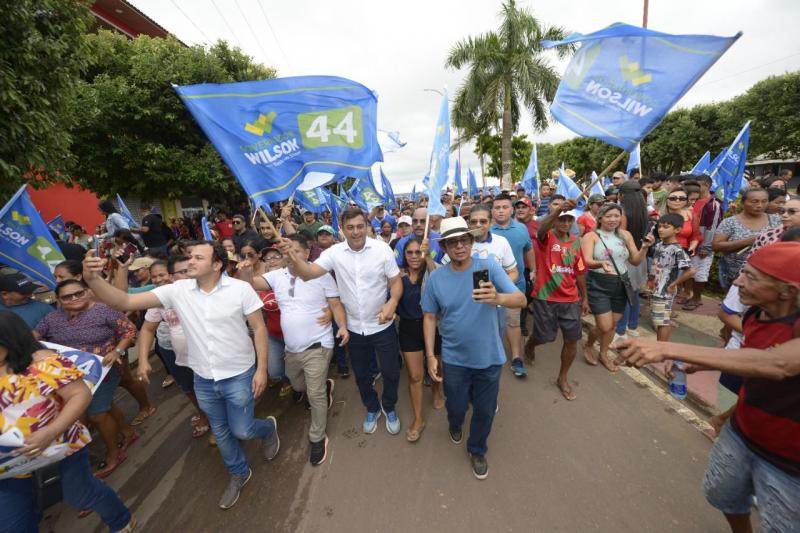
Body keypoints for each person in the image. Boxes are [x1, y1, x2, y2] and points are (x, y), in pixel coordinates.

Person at [614, 241, 800, 533]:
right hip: (743, 432)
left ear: (788, 290)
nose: (738, 281)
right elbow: (753, 357)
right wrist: (706, 363)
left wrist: (668, 349)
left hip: (790, 459)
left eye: (751, 276)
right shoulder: (756, 313)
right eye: (743, 272)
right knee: (722, 494)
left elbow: (778, 364)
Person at [81, 240, 279, 510]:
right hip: (203, 378)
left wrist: (262, 369)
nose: (191, 261)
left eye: (198, 257)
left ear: (217, 264)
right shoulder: (177, 291)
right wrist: (92, 279)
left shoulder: (241, 289)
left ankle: (267, 429)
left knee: (242, 429)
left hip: (238, 373)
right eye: (190, 256)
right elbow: (123, 300)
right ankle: (239, 472)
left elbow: (258, 329)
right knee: (220, 430)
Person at [0, 312, 136, 532]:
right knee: (11, 521)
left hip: (60, 447)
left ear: (9, 340)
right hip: (8, 462)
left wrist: (51, 431)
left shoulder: (43, 362)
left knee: (80, 493)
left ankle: (121, 519)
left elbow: (80, 395)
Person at [280, 208, 404, 435]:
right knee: (362, 374)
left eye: (360, 226)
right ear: (342, 228)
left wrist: (392, 303)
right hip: (354, 328)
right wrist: (292, 256)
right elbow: (307, 273)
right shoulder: (334, 253)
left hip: (382, 325)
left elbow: (396, 282)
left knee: (391, 371)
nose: (356, 232)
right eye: (350, 227)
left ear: (367, 226)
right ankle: (372, 407)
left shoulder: (382, 250)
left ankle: (389, 406)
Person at [422, 217, 526, 479]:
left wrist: (498, 297)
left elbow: (520, 299)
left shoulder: (488, 266)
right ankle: (455, 423)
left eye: (464, 240)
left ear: (471, 242)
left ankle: (477, 448)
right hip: (454, 359)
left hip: (489, 358)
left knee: (485, 409)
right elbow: (430, 317)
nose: (459, 246)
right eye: (453, 242)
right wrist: (431, 355)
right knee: (455, 406)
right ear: (444, 247)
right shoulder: (436, 279)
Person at [242, 235, 347, 465]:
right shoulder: (277, 276)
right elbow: (250, 284)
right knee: (299, 385)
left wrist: (342, 326)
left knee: (315, 393)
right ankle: (325, 386)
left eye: (296, 251)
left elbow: (336, 304)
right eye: (287, 251)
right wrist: (247, 271)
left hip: (319, 345)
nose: (291, 256)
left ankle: (318, 437)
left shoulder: (320, 275)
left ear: (307, 253)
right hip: (292, 349)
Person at [35, 279, 139, 478]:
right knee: (103, 407)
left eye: (79, 293)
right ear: (59, 300)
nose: (74, 298)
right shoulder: (52, 318)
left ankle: (114, 454)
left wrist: (118, 350)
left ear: (88, 292)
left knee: (96, 415)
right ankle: (128, 433)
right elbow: (35, 335)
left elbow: (129, 330)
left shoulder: (104, 311)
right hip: (70, 377)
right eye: (67, 296)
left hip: (103, 371)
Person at [136, 258, 210, 439]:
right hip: (175, 352)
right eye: (154, 277)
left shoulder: (199, 290)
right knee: (188, 387)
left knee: (212, 387)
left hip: (205, 351)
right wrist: (143, 359)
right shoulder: (158, 298)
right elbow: (147, 328)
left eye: (162, 275)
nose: (159, 280)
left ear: (172, 275)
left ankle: (220, 422)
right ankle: (205, 415)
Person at [524, 199, 588, 400]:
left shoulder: (576, 242)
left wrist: (584, 298)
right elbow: (541, 228)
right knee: (545, 337)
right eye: (562, 220)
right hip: (546, 296)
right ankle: (530, 345)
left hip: (570, 300)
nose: (566, 224)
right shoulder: (546, 237)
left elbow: (579, 273)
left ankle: (562, 378)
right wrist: (559, 209)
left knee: (572, 340)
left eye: (569, 220)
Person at [582, 203, 654, 372]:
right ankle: (589, 344)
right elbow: (586, 261)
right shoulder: (591, 236)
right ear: (600, 218)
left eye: (616, 216)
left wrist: (644, 247)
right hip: (599, 284)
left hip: (622, 284)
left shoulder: (625, 235)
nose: (613, 219)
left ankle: (604, 353)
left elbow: (635, 260)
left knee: (612, 325)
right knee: (605, 326)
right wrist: (600, 263)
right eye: (608, 216)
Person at [397, 237, 444, 442]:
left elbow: (441, 280)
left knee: (435, 368)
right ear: (404, 255)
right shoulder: (397, 275)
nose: (415, 256)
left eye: (419, 252)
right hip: (408, 328)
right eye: (410, 253)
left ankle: (436, 392)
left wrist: (428, 258)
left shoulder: (433, 270)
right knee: (415, 376)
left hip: (433, 326)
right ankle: (418, 419)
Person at [490, 193, 534, 378]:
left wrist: (534, 269)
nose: (501, 211)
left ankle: (517, 357)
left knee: (513, 323)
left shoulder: (522, 229)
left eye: (504, 207)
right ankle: (491, 356)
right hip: (489, 290)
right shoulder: (486, 230)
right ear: (492, 211)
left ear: (512, 210)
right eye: (497, 207)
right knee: (490, 325)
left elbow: (528, 249)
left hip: (515, 286)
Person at [713, 188, 779, 289]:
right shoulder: (730, 222)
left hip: (765, 274)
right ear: (743, 203)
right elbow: (716, 245)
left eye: (764, 201)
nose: (760, 205)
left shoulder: (776, 220)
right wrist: (747, 241)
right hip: (734, 273)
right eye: (754, 201)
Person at [647, 214, 696, 341]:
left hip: (664, 291)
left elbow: (690, 271)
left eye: (666, 227)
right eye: (660, 226)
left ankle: (662, 350)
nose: (661, 229)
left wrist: (673, 284)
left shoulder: (677, 250)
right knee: (659, 320)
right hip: (655, 289)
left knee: (662, 322)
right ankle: (661, 349)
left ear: (677, 230)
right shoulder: (659, 245)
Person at [613, 181, 650, 341]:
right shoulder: (644, 211)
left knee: (623, 294)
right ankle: (632, 326)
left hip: (626, 257)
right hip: (640, 255)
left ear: (622, 195)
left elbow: (621, 236)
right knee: (634, 293)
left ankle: (620, 330)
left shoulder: (623, 212)